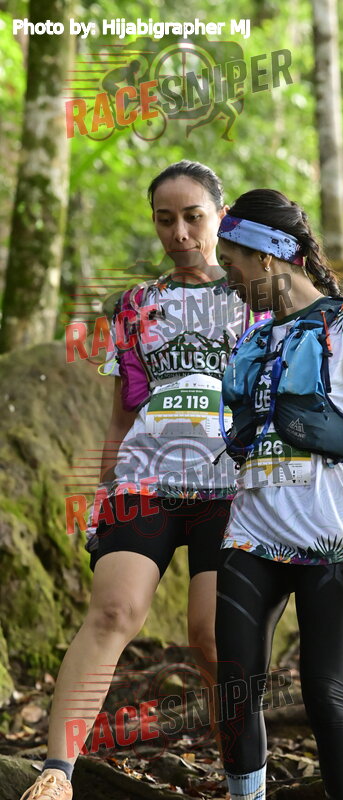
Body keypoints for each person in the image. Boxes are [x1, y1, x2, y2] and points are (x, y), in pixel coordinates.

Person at [20, 161, 253, 800]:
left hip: (230, 487)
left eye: (193, 217)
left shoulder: (253, 298)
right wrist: (102, 491)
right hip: (144, 478)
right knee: (114, 611)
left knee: (211, 637)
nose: (179, 232)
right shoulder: (135, 305)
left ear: (221, 218)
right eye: (165, 219)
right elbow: (123, 413)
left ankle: (244, 780)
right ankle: (58, 771)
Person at [214, 189, 343, 800]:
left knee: (327, 695)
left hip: (329, 532)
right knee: (235, 692)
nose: (229, 279)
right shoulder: (252, 339)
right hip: (251, 531)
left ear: (265, 256)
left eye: (232, 263)